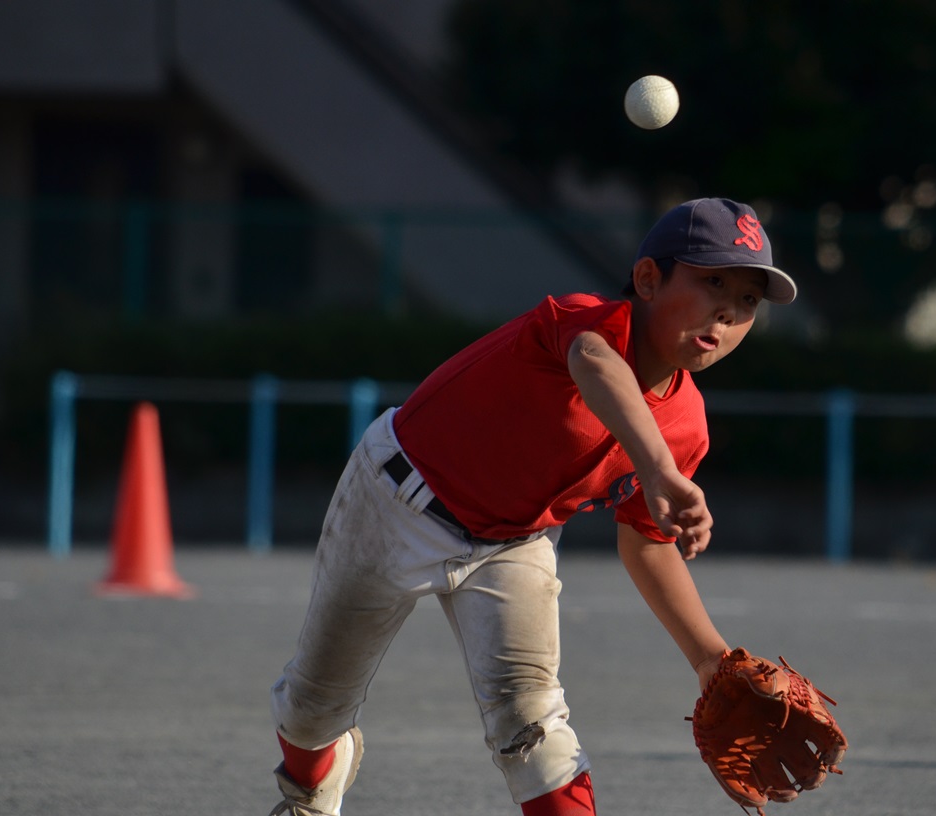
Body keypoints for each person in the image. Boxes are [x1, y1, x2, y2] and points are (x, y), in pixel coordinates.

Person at [266, 197, 799, 816]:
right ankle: (312, 782)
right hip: (394, 499)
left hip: (513, 543)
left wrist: (710, 658)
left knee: (533, 727)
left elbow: (648, 544)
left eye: (748, 301)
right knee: (311, 709)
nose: (728, 311)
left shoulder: (687, 427)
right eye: (713, 281)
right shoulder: (582, 321)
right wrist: (655, 468)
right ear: (648, 279)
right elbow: (594, 364)